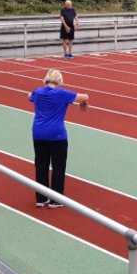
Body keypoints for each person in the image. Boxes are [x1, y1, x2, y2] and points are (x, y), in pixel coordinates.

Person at [29, 70, 89, 208]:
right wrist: (83, 101)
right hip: (57, 135)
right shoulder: (62, 94)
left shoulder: (37, 92)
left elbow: (30, 97)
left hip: (39, 133)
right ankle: (56, 199)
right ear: (60, 81)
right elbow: (84, 96)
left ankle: (41, 198)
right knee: (58, 166)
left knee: (41, 166)